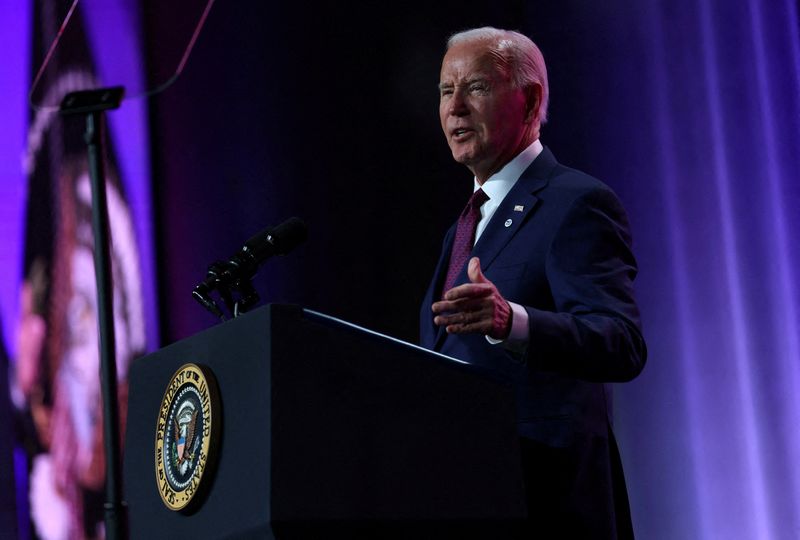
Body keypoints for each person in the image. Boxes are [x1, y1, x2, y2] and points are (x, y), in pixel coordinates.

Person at [419, 27, 646, 539]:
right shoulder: (459, 230)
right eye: (444, 90)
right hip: (462, 500)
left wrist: (511, 322)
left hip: (546, 504)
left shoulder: (575, 202)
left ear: (530, 101)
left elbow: (621, 342)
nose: (454, 108)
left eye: (475, 87)